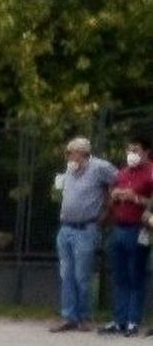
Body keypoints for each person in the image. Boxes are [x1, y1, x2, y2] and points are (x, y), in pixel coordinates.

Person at [52, 137, 118, 333]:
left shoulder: (99, 167)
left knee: (82, 276)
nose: (68, 156)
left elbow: (119, 181)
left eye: (70, 152)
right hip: (66, 228)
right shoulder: (70, 170)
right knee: (67, 275)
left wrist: (108, 209)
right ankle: (69, 316)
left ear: (82, 153)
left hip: (86, 228)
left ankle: (84, 317)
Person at [100, 138, 153, 337]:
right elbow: (111, 197)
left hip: (138, 229)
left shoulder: (150, 172)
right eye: (129, 150)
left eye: (136, 150)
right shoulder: (122, 173)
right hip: (119, 228)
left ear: (145, 152)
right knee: (120, 276)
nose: (132, 154)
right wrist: (114, 196)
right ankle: (119, 319)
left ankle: (133, 320)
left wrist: (136, 198)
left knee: (135, 275)